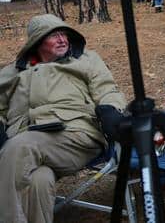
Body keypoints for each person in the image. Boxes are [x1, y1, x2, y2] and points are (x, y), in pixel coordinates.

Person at [0, 14, 126, 223]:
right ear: (37, 42)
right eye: (54, 35)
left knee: (18, 148)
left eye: (64, 34)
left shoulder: (85, 60)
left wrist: (110, 109)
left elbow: (106, 89)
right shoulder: (13, 72)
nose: (62, 40)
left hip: (76, 134)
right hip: (28, 138)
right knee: (39, 179)